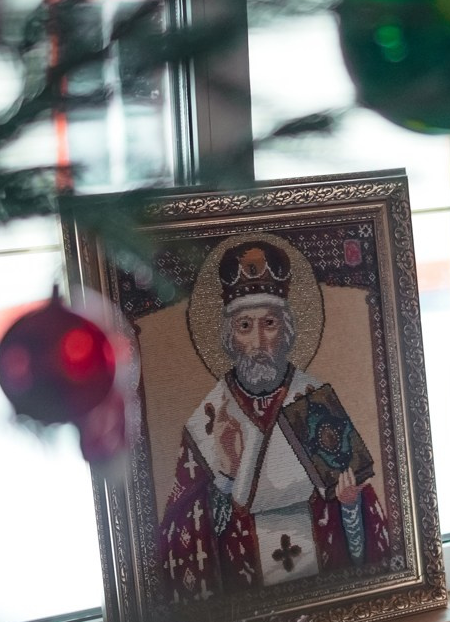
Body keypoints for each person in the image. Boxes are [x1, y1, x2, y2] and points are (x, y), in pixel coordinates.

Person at [156, 241, 388, 600]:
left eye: (270, 324)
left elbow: (360, 512)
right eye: (246, 326)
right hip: (247, 587)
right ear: (229, 337)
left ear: (288, 331)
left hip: (322, 574)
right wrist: (226, 481)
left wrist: (349, 504)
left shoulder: (314, 401)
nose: (260, 340)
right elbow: (185, 532)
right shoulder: (210, 416)